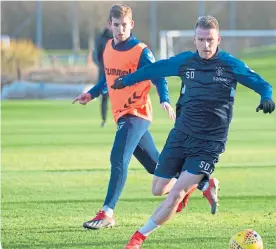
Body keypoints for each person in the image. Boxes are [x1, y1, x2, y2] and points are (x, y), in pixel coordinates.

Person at [112, 15, 275, 249]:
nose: (206, 45)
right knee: (158, 189)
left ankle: (138, 237)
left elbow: (261, 83)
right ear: (194, 40)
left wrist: (266, 97)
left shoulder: (230, 65)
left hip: (210, 142)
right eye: (201, 40)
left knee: (176, 194)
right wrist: (126, 80)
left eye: (210, 40)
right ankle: (204, 184)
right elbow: (155, 69)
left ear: (218, 39)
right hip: (181, 135)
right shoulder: (185, 62)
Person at [72, 5, 217, 230]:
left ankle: (107, 212)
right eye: (116, 25)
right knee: (157, 168)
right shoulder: (108, 48)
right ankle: (201, 182)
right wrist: (90, 94)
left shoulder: (140, 50)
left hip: (136, 113)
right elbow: (107, 81)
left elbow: (158, 74)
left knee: (118, 157)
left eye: (124, 25)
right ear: (110, 25)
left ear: (132, 25)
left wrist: (164, 99)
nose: (120, 29)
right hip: (121, 116)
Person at [92, 24, 113, 127]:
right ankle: (104, 119)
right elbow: (96, 55)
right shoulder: (100, 38)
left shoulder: (119, 38)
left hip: (118, 72)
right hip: (104, 72)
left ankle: (121, 119)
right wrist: (102, 66)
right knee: (104, 97)